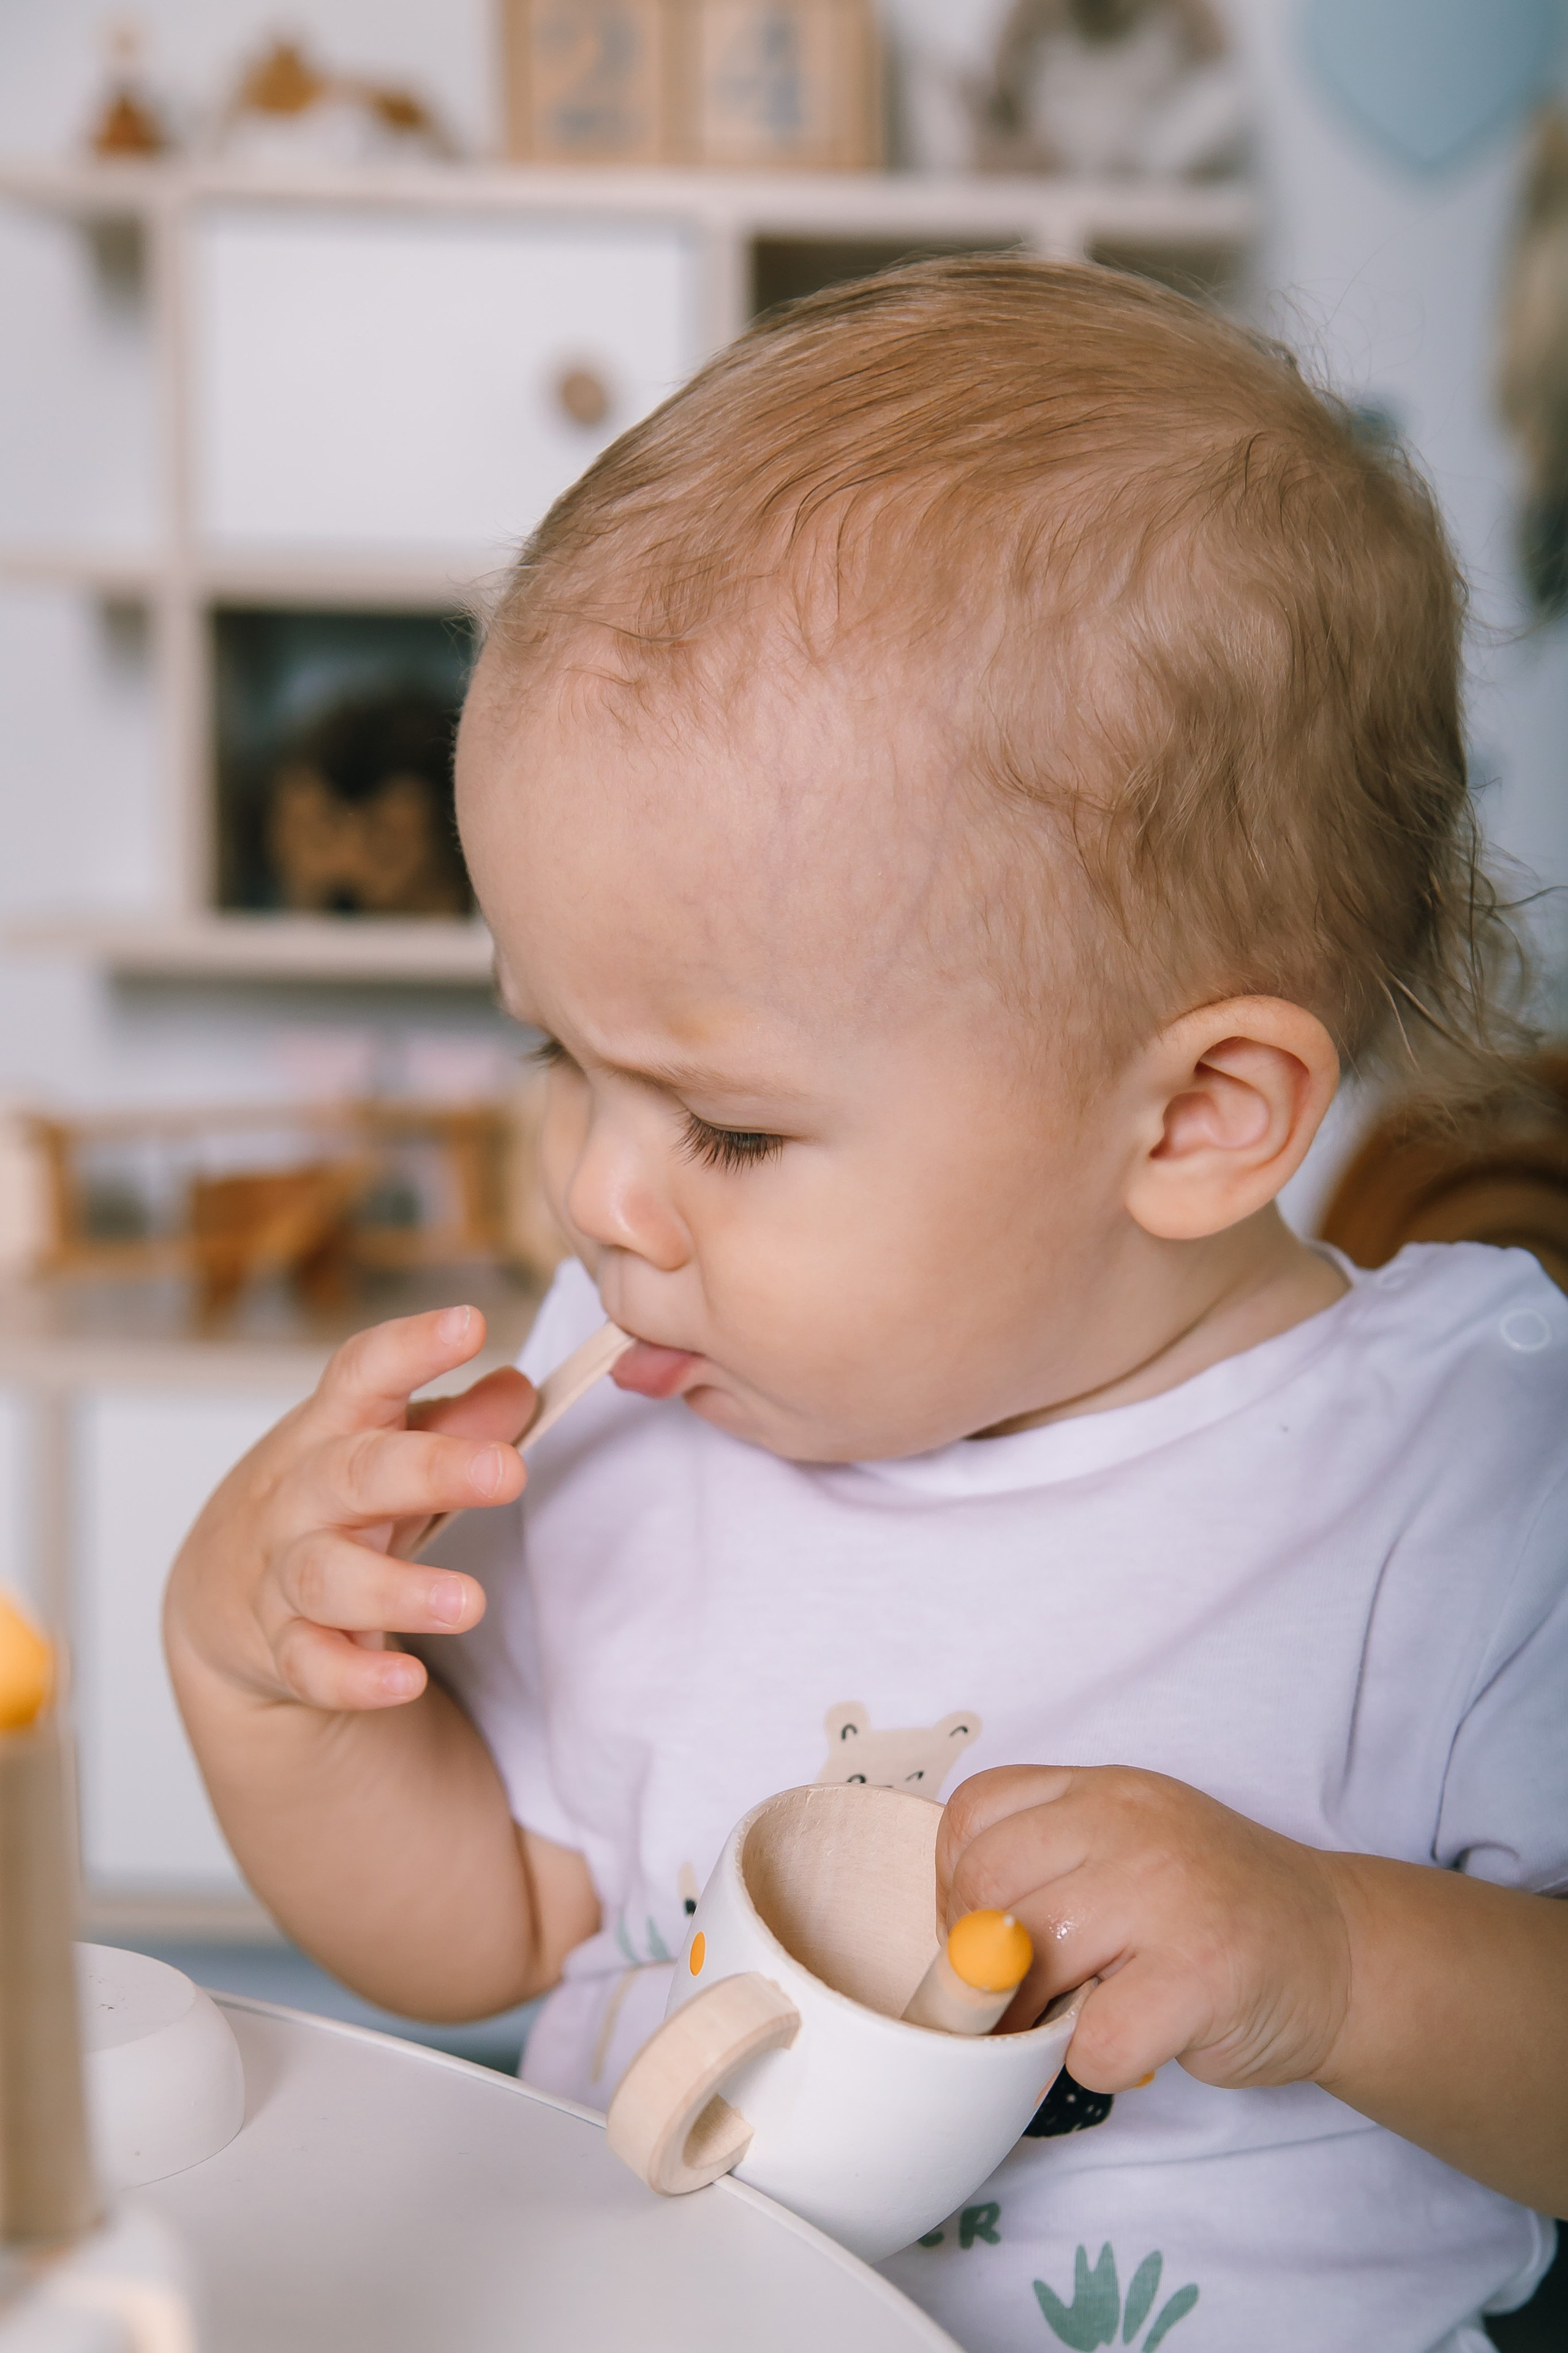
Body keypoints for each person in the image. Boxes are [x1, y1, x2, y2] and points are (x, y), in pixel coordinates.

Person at [165, 260, 1568, 2353]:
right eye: (563, 1055)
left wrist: (1343, 1959)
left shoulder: (1464, 1471)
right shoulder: (642, 1401)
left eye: (724, 1127)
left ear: (1194, 1116)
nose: (596, 1191)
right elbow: (486, 1931)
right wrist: (261, 1678)